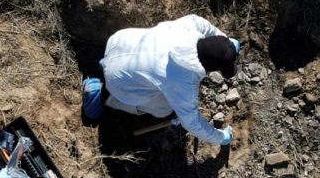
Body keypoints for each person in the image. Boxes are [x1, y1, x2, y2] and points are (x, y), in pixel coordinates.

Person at [82, 14, 240, 146]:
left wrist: (226, 43)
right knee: (166, 109)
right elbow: (192, 123)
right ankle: (105, 97)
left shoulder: (188, 25)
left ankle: (104, 73)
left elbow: (208, 29)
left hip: (118, 42)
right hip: (116, 81)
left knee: (158, 83)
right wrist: (221, 138)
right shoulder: (185, 81)